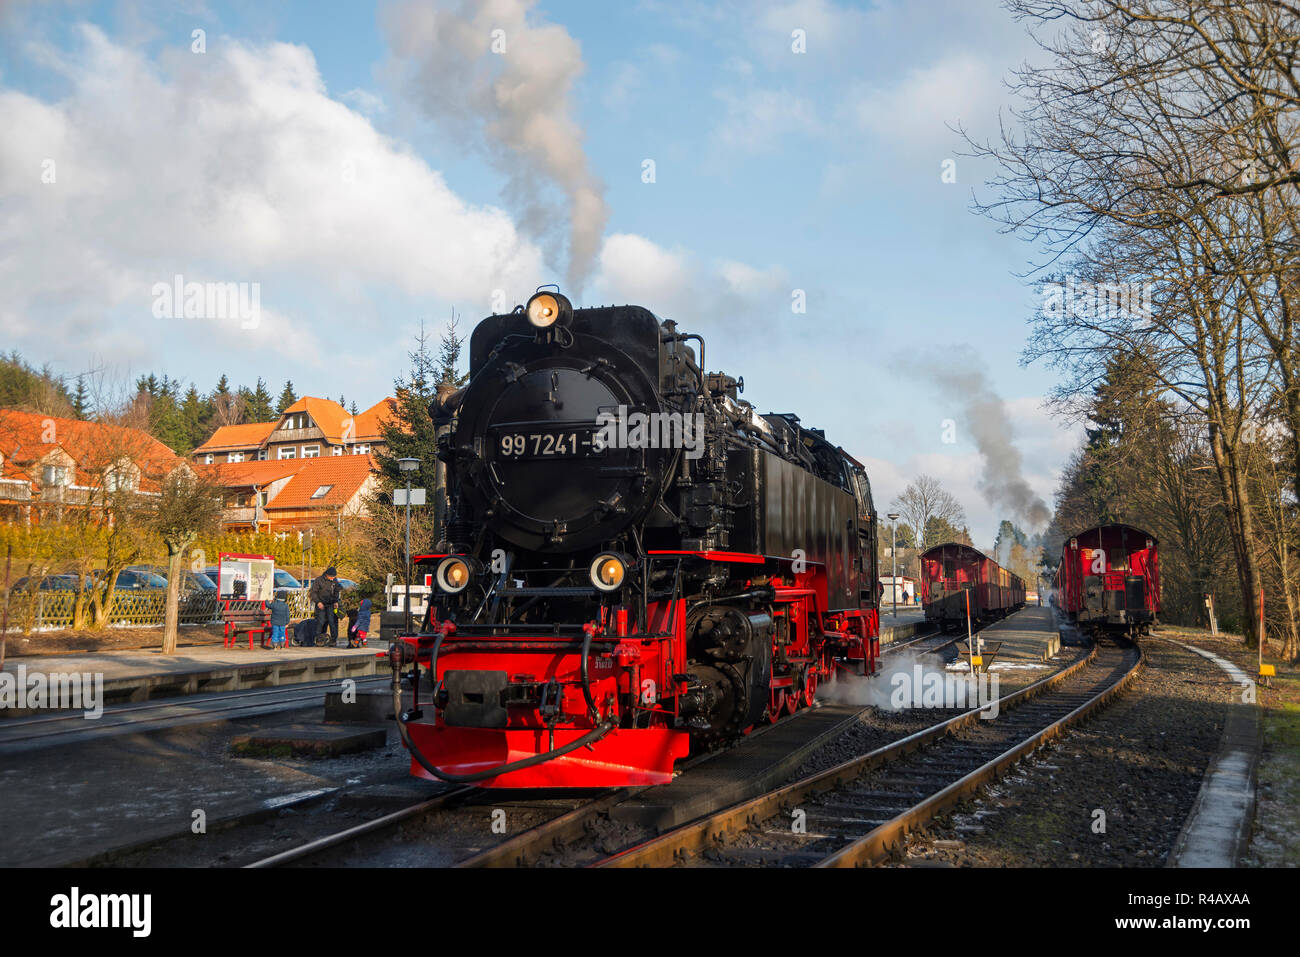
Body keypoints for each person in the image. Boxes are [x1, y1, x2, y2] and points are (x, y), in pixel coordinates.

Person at [309, 566, 342, 646]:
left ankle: (333, 640)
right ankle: (319, 639)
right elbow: (313, 592)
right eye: (331, 577)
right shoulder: (319, 580)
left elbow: (337, 591)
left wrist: (336, 601)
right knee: (321, 622)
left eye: (334, 577)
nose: (332, 578)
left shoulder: (335, 581)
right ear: (327, 575)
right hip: (321, 604)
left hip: (331, 604)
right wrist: (318, 602)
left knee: (332, 622)